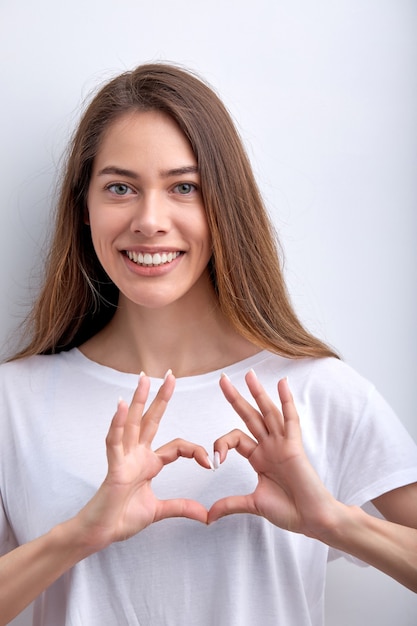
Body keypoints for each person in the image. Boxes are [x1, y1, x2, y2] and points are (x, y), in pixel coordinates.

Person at [0, 62, 416, 626]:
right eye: (120, 187)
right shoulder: (14, 403)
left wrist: (336, 523)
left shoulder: (317, 390)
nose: (150, 220)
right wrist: (77, 536)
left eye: (184, 188)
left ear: (225, 204)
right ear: (85, 207)